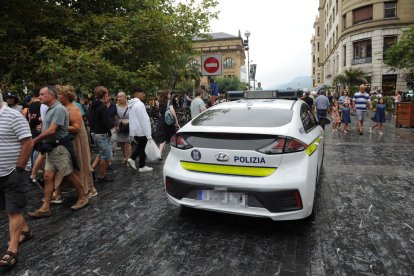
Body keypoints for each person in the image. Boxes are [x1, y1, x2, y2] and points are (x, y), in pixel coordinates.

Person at [27, 85, 88, 218]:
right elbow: (49, 128)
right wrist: (41, 128)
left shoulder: (59, 109)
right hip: (51, 148)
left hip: (59, 148)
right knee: (48, 177)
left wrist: (35, 140)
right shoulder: (51, 109)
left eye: (43, 94)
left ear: (51, 95)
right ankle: (45, 207)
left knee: (69, 175)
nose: (40, 96)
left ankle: (83, 197)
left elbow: (53, 130)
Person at [0, 93, 34, 269]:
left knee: (14, 209)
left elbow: (28, 143)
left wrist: (20, 168)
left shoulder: (13, 116)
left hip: (14, 171)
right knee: (9, 207)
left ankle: (12, 250)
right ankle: (25, 230)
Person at [53, 85, 97, 201]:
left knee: (80, 163)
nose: (58, 96)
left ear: (66, 96)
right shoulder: (62, 108)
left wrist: (59, 127)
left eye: (60, 94)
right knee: (65, 164)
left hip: (76, 140)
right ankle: (57, 191)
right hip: (67, 139)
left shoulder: (74, 109)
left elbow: (76, 128)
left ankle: (88, 189)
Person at [89, 86, 113, 182]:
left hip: (94, 132)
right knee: (105, 156)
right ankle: (102, 175)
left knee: (100, 153)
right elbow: (105, 122)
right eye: (107, 95)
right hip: (102, 133)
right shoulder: (102, 107)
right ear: (104, 96)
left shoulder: (92, 105)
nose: (108, 97)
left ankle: (91, 170)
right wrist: (109, 131)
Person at [126, 87, 153, 172]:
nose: (144, 95)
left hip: (135, 130)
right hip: (141, 130)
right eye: (143, 93)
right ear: (137, 93)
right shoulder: (139, 104)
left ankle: (133, 159)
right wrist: (148, 134)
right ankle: (141, 165)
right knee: (143, 147)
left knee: (141, 146)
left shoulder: (132, 104)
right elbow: (144, 120)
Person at [156, 90, 179, 158]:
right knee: (173, 136)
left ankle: (160, 153)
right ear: (166, 95)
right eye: (169, 94)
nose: (170, 95)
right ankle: (175, 153)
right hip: (168, 121)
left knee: (163, 137)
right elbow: (172, 110)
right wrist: (176, 119)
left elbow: (160, 112)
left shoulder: (160, 102)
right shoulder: (169, 101)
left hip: (162, 120)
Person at [115, 92, 131, 165]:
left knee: (128, 142)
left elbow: (134, 116)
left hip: (129, 125)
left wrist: (129, 122)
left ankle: (128, 159)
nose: (119, 98)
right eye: (118, 97)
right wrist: (117, 125)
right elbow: (115, 116)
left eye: (121, 97)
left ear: (125, 97)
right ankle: (124, 156)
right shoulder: (116, 106)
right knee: (121, 142)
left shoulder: (130, 106)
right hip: (120, 125)